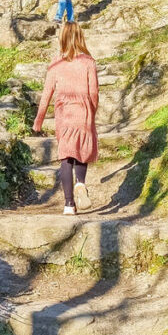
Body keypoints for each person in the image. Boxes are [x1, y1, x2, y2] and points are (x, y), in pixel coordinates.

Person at [32, 22, 99, 215]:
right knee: (81, 152)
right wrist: (91, 112)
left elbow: (46, 94)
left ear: (62, 38)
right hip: (83, 112)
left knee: (66, 156)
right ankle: (81, 183)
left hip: (64, 115)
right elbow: (93, 92)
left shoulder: (56, 63)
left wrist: (39, 121)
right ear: (80, 37)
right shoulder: (89, 62)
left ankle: (69, 204)